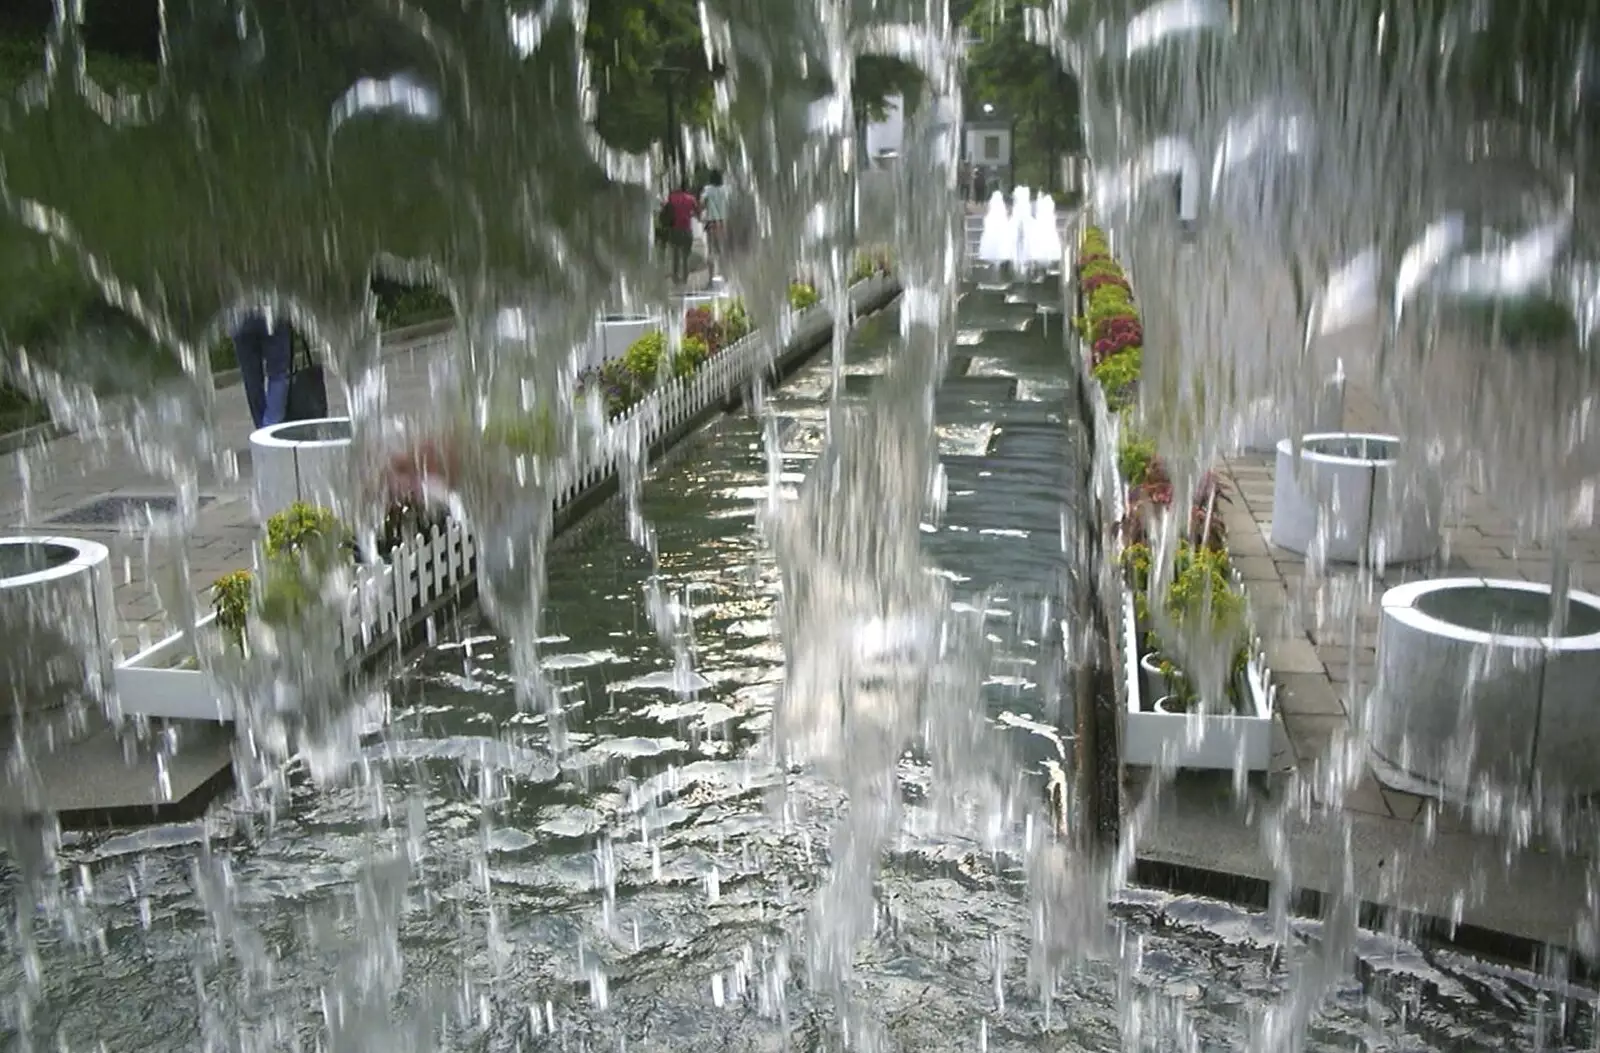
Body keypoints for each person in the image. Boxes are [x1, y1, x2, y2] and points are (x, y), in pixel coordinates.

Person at [230, 310, 292, 429]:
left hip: (239, 314)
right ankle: (271, 427)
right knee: (278, 373)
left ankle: (262, 431)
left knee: (251, 379)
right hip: (271, 310)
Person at [665, 182, 699, 285]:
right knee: (685, 256)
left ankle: (675, 278)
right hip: (686, 230)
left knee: (675, 254)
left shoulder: (671, 198)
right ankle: (684, 279)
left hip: (674, 230)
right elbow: (697, 212)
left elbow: (667, 211)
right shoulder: (691, 199)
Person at [699, 169, 729, 283]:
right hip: (723, 223)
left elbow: (702, 203)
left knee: (711, 250)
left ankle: (710, 279)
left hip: (711, 223)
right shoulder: (725, 190)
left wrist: (702, 211)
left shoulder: (708, 189)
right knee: (723, 249)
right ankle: (726, 276)